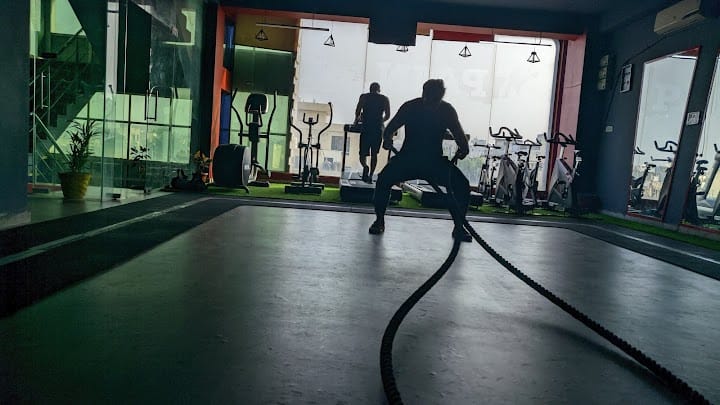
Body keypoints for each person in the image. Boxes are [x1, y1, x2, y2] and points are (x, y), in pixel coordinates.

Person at [369, 79, 472, 242]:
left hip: (434, 162)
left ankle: (459, 227)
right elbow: (390, 128)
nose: (431, 102)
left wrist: (464, 148)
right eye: (429, 97)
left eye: (435, 98)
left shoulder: (447, 110)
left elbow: (459, 134)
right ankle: (379, 220)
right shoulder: (410, 107)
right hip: (408, 159)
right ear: (423, 93)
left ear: (441, 96)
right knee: (383, 180)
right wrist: (387, 138)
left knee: (463, 186)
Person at [354, 82, 391, 183]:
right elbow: (388, 115)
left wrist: (357, 121)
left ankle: (365, 166)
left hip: (366, 128)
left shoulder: (364, 97)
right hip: (377, 129)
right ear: (379, 89)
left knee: (362, 154)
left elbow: (357, 111)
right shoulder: (384, 99)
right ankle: (370, 175)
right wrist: (381, 121)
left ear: (370, 89)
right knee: (374, 154)